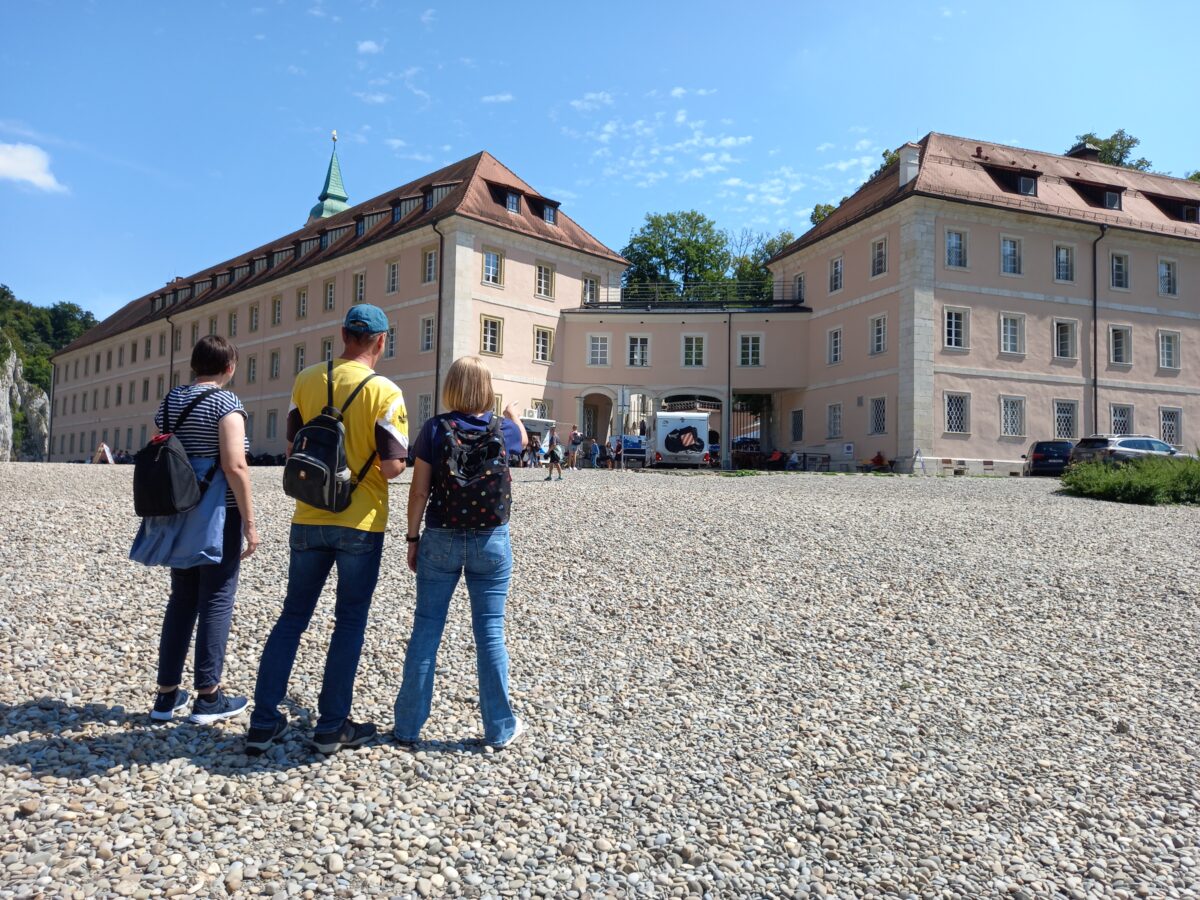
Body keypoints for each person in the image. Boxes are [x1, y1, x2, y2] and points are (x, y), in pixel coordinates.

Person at [246, 304, 408, 755]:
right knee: (349, 621)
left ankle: (263, 722)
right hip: (361, 519)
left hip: (309, 513)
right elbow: (394, 466)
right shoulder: (385, 391)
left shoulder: (307, 378)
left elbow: (294, 442)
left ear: (342, 334)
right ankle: (331, 726)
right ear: (381, 341)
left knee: (292, 617)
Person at [393, 356, 528, 749]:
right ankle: (500, 728)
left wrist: (412, 538)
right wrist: (510, 412)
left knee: (426, 629)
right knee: (490, 633)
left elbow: (419, 491)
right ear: (486, 388)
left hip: (441, 536)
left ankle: (407, 728)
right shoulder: (502, 429)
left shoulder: (434, 429)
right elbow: (522, 438)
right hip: (490, 539)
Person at [151, 335, 259, 724]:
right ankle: (208, 697)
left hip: (178, 509)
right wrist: (249, 521)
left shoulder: (170, 402)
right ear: (229, 367)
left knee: (182, 598)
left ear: (195, 365)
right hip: (218, 513)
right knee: (216, 597)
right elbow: (235, 466)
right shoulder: (227, 403)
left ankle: (166, 696)